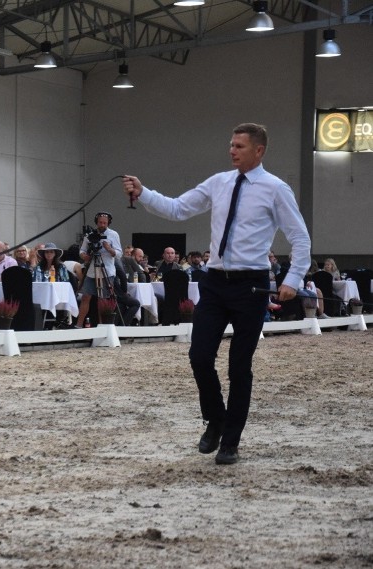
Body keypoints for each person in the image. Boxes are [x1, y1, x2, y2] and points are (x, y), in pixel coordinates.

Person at [122, 122, 311, 465]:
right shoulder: (219, 182)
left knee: (239, 366)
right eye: (231, 144)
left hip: (250, 285)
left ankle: (231, 441)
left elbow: (299, 238)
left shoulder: (275, 189)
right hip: (214, 281)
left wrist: (293, 278)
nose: (232, 150)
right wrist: (143, 192)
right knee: (199, 356)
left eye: (239, 146)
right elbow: (178, 208)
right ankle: (216, 418)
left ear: (259, 151)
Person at [75, 212, 122, 328]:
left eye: (105, 223)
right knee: (86, 296)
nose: (102, 225)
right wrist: (84, 256)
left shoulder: (113, 234)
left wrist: (109, 249)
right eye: (100, 222)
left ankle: (103, 326)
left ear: (108, 223)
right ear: (96, 222)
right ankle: (79, 325)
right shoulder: (90, 235)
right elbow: (82, 251)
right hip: (91, 271)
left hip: (107, 270)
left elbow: (119, 254)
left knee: (103, 299)